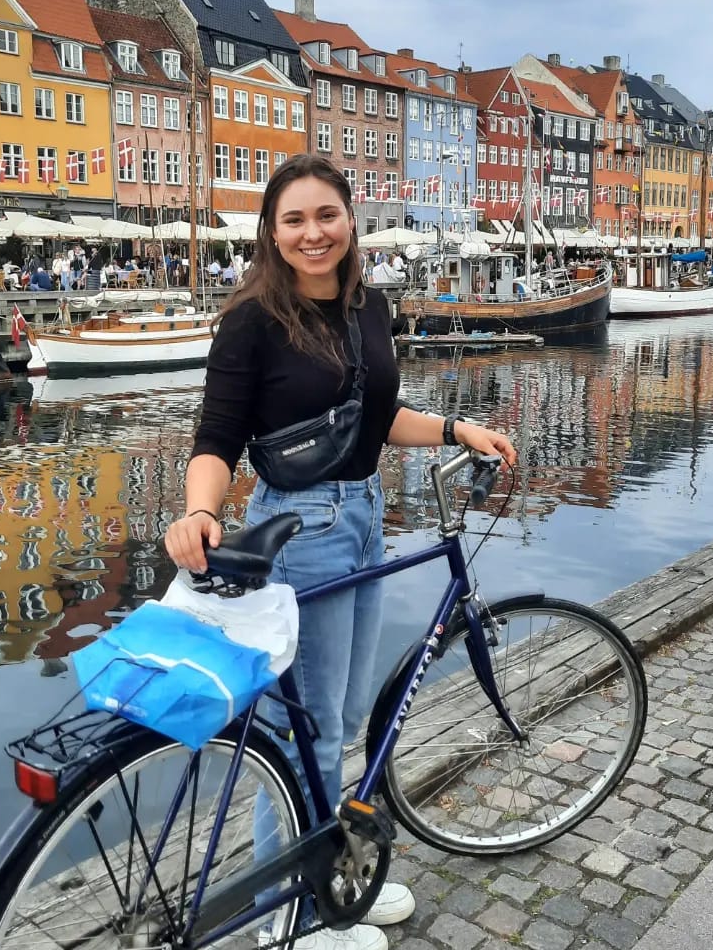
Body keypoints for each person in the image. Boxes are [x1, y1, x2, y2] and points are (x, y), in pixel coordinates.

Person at [163, 154, 516, 950]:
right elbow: (217, 437)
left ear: (350, 220)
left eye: (326, 215)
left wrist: (457, 429)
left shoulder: (368, 305)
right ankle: (295, 918)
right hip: (298, 529)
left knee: (344, 720)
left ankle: (319, 879)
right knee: (309, 734)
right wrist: (199, 511)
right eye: (293, 219)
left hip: (362, 514)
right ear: (271, 231)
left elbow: (374, 416)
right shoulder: (252, 319)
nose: (312, 233)